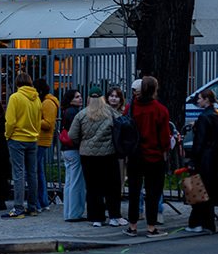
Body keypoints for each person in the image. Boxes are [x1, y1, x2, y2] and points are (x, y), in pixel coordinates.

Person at [68, 89, 124, 227]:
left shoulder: (81, 115)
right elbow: (121, 128)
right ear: (103, 99)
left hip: (88, 156)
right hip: (108, 155)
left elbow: (72, 135)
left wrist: (83, 142)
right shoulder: (111, 113)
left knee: (93, 188)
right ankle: (113, 216)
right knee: (112, 187)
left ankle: (96, 218)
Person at [125, 76, 171, 237]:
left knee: (134, 191)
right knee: (153, 192)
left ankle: (132, 225)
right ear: (154, 89)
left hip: (134, 155)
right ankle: (151, 227)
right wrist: (165, 150)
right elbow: (164, 136)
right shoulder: (160, 110)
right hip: (154, 156)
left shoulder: (131, 108)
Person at [186, 89, 218, 233]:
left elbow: (199, 142)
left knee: (199, 190)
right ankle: (208, 223)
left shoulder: (204, 118)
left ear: (206, 99)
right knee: (209, 191)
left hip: (205, 159)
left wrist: (193, 159)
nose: (197, 101)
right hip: (217, 158)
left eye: (199, 98)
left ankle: (196, 223)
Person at [4, 72, 41, 218]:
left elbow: (11, 121)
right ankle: (32, 207)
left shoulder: (15, 97)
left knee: (18, 174)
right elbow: (38, 119)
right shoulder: (36, 98)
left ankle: (18, 208)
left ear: (17, 83)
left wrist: (8, 135)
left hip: (17, 138)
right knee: (32, 174)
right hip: (32, 139)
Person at [59, 88, 86, 221]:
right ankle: (74, 213)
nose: (80, 98)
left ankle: (68, 212)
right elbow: (76, 133)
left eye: (80, 96)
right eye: (76, 97)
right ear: (71, 100)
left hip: (66, 149)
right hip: (74, 149)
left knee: (69, 182)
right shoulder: (74, 113)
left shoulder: (66, 111)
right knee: (75, 182)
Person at [34, 77, 60, 211]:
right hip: (40, 140)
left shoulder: (48, 103)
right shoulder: (45, 102)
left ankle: (40, 201)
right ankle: (43, 201)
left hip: (41, 140)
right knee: (39, 171)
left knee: (37, 172)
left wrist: (32, 120)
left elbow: (48, 124)